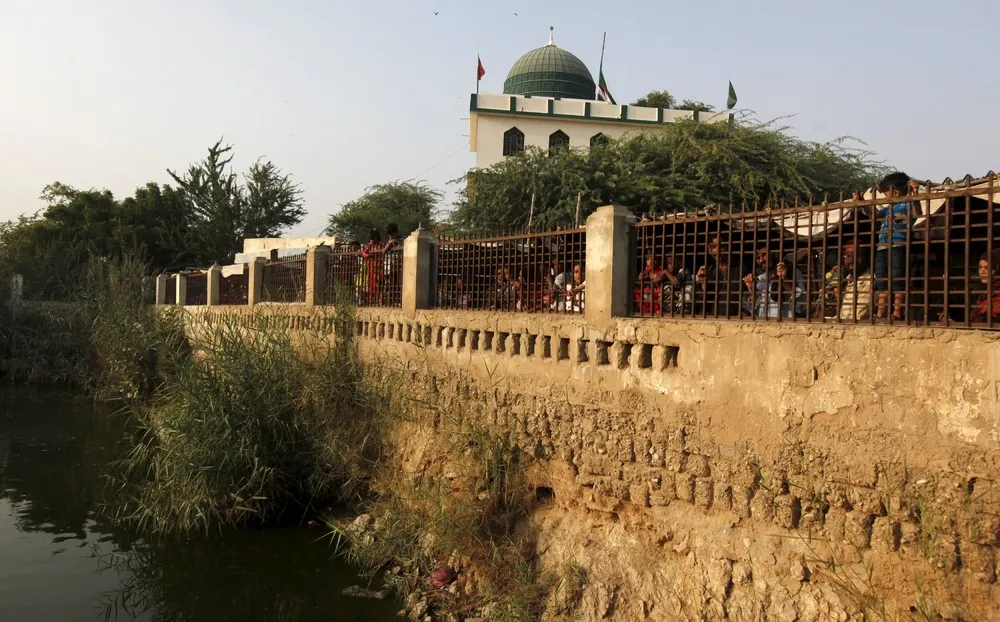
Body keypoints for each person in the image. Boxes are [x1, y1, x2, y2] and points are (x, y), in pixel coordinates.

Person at [872, 172, 921, 320]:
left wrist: (915, 193)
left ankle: (897, 312)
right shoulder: (887, 209)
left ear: (895, 191)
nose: (885, 197)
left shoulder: (908, 203)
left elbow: (918, 213)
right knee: (881, 281)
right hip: (882, 247)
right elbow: (874, 216)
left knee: (897, 279)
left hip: (898, 246)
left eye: (886, 193)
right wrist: (861, 201)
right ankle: (881, 312)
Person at [970, 250, 1000, 323]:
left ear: (997, 269)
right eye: (980, 267)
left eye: (986, 268)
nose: (982, 271)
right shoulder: (985, 293)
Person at [360, 228, 382, 305]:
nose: (374, 238)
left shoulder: (381, 244)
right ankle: (371, 300)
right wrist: (368, 255)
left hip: (380, 266)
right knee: (371, 283)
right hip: (372, 266)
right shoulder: (369, 245)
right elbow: (363, 254)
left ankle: (380, 300)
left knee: (379, 283)